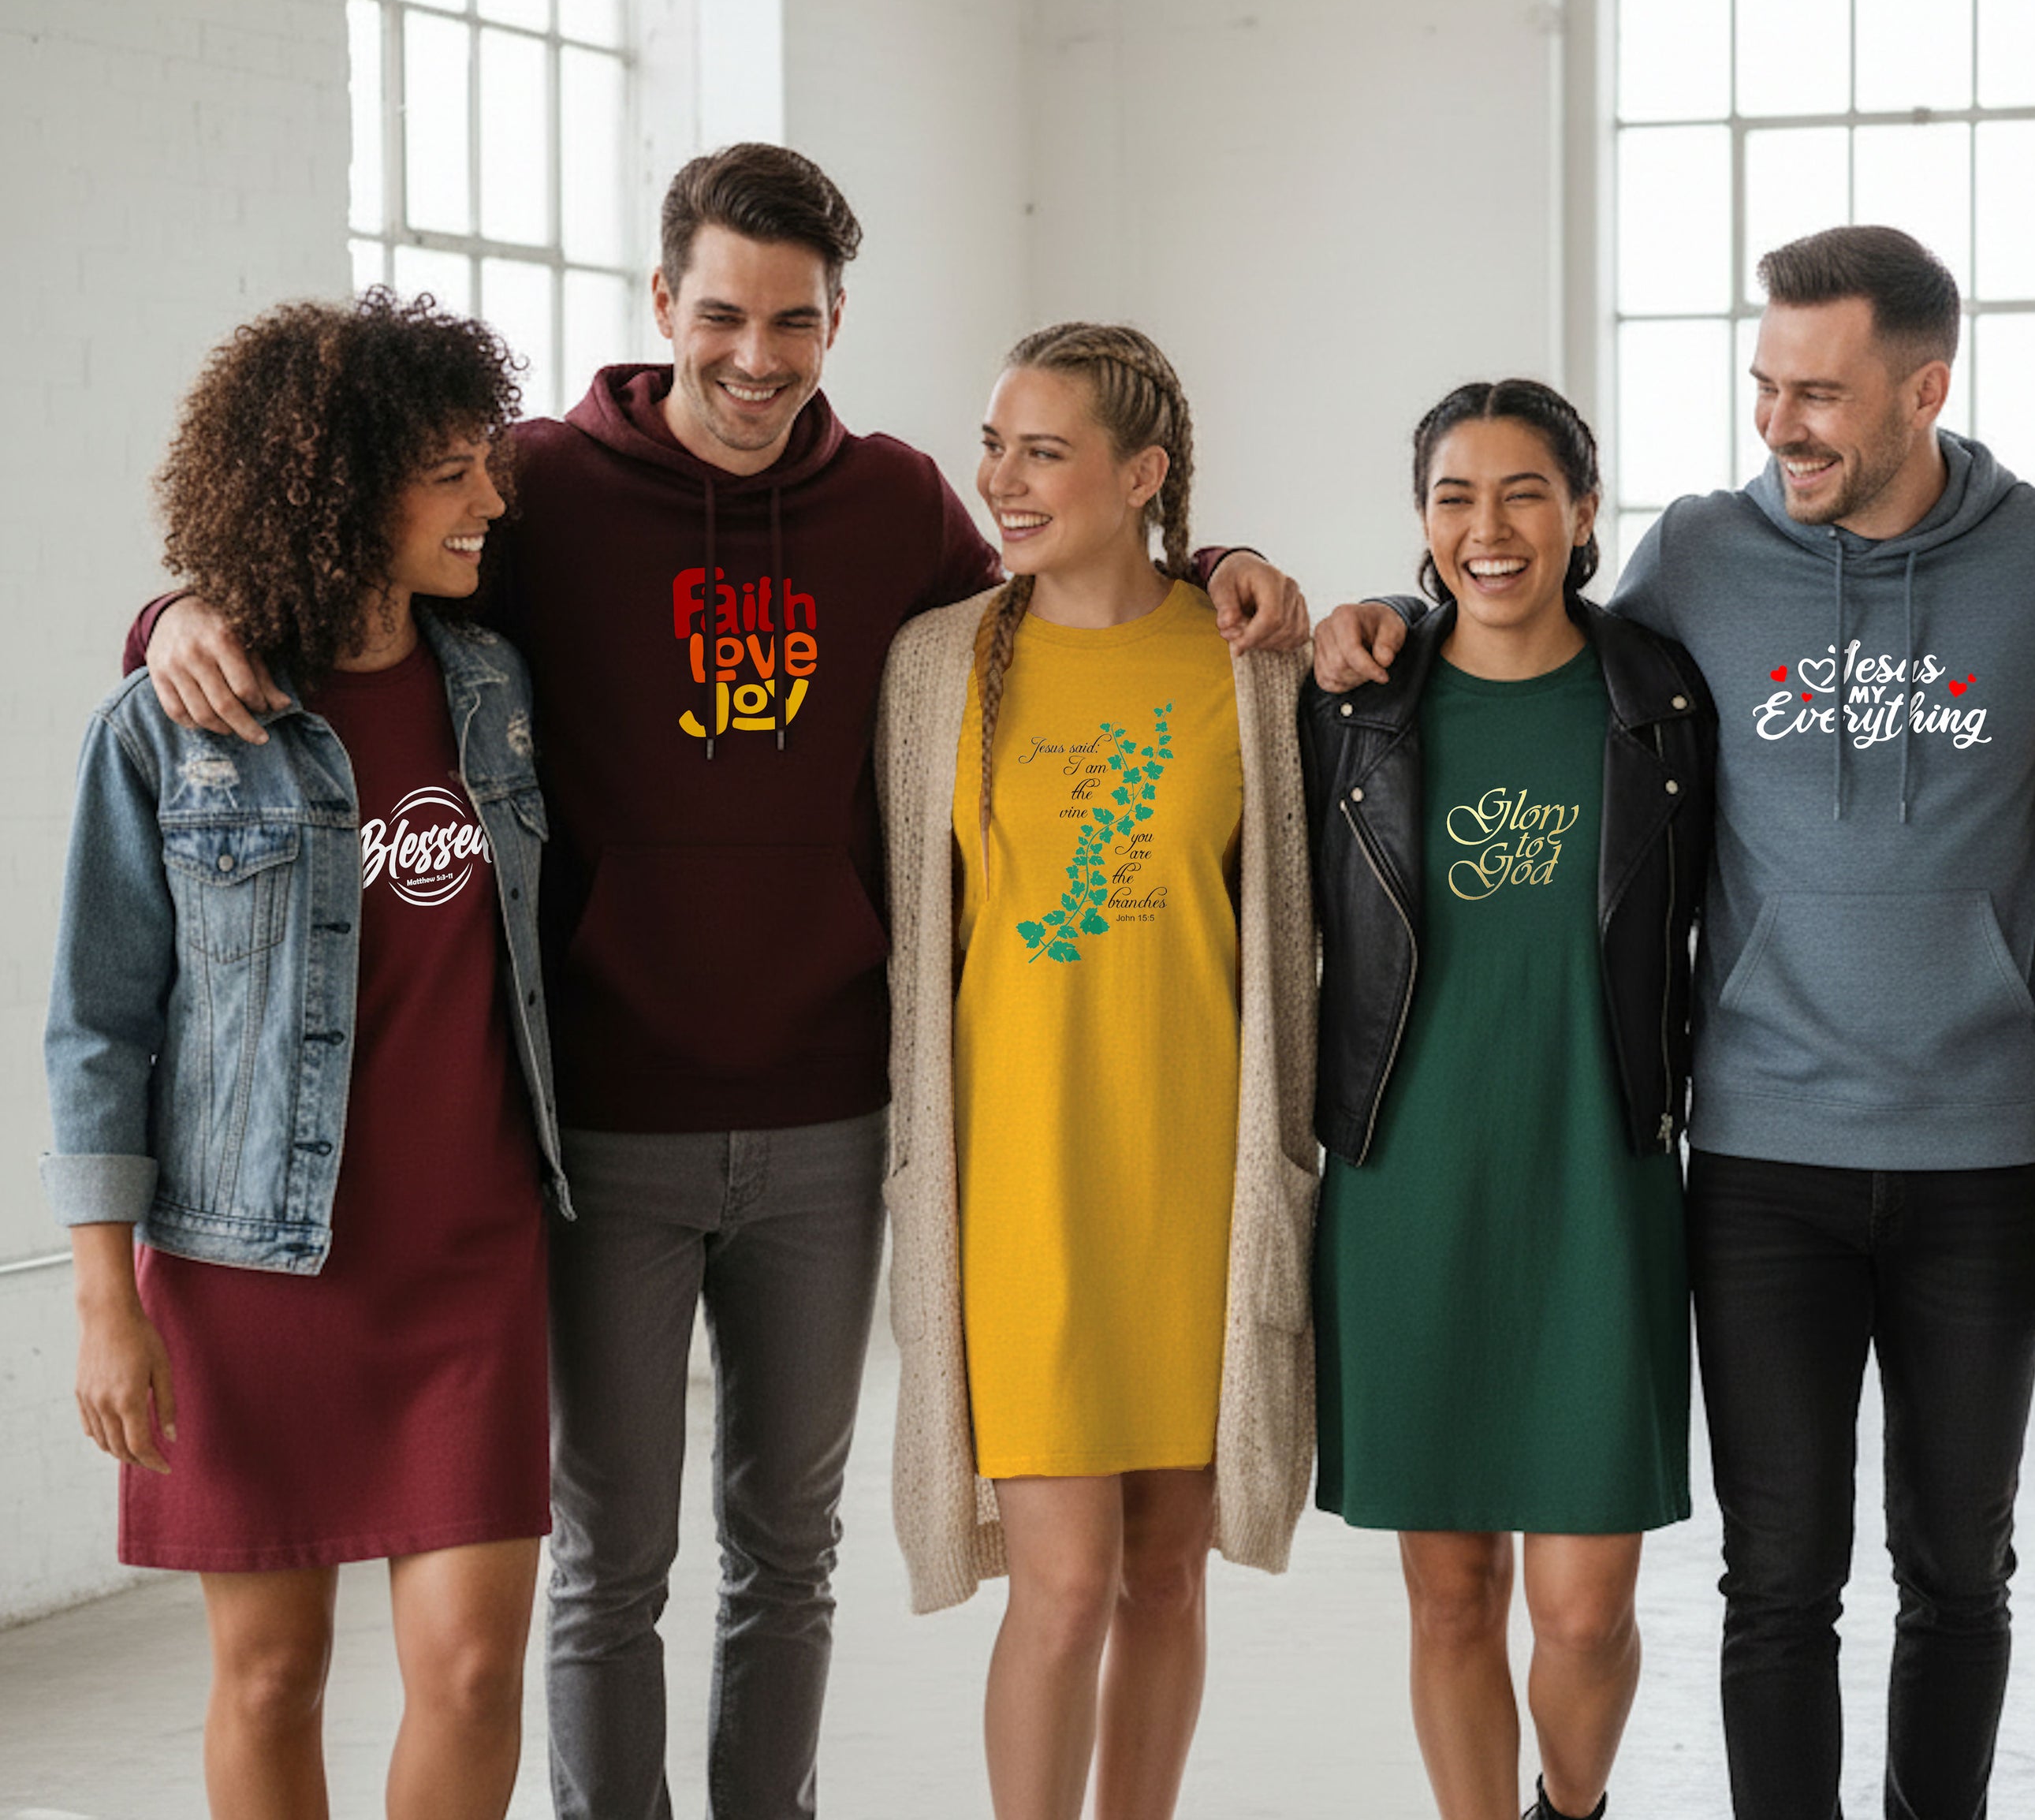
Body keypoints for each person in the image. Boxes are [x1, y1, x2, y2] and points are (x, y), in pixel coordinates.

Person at [124, 146, 1312, 1820]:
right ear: (662, 301)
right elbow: (346, 583)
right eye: (725, 316)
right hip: (605, 1120)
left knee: (788, 1548)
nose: (758, 357)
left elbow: (1073, 595)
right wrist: (178, 610)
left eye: (797, 323)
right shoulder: (535, 490)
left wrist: (1229, 558)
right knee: (611, 1555)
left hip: (829, 1113)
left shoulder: (898, 504)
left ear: (838, 321)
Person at [1318, 227, 2035, 1819]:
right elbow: (1521, 621)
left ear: (1926, 386)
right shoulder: (1707, 557)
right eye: (1765, 386)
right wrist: (1377, 609)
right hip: (1766, 1152)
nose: (1780, 423)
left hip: (1984, 1157)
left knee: (1958, 1571)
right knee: (1778, 1576)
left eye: (1819, 393)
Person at [46, 291, 567, 1818]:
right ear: (344, 486)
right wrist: (102, 1302)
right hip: (245, 1265)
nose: (493, 497)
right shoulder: (164, 728)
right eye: (452, 470)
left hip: (470, 1256)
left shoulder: (498, 687)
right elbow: (97, 1019)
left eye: (489, 460)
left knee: (473, 1670)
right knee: (271, 1674)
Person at [872, 323, 1317, 1820]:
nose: (1000, 479)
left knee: (1169, 1576)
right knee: (1059, 1586)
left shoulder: (1250, 664)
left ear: (1143, 476)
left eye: (1042, 451)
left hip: (1196, 1181)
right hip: (1021, 1193)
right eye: (995, 444)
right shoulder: (938, 663)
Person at [1303, 380, 1716, 1820]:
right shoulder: (1354, 707)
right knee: (1449, 1592)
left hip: (1597, 1180)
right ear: (1421, 522)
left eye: (1526, 491)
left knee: (1589, 1604)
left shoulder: (1664, 699)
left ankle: (1575, 1806)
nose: (1490, 529)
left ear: (1586, 511)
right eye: (1455, 497)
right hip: (1411, 1180)